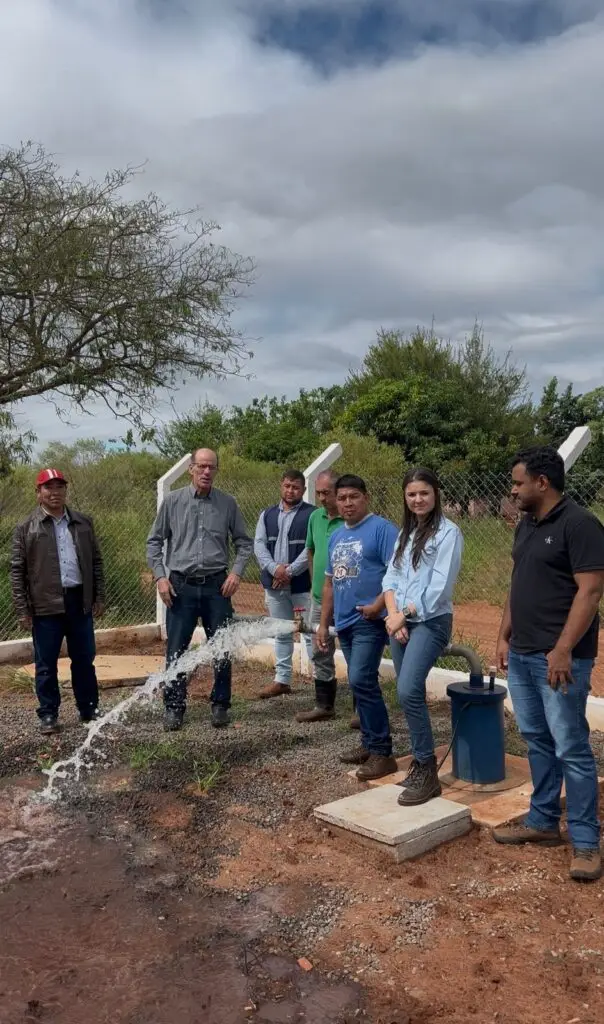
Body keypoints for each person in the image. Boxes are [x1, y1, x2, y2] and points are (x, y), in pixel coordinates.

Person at [494, 446, 604, 882]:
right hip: (522, 654)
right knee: (536, 739)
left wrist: (562, 649)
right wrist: (503, 636)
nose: (514, 490)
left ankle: (586, 842)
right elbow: (517, 584)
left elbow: (591, 592)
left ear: (543, 482)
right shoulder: (527, 524)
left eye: (519, 483)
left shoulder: (580, 525)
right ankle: (542, 822)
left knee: (571, 747)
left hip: (559, 659)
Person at [146, 448, 253, 731]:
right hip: (180, 587)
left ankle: (220, 704)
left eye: (212, 467)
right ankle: (174, 706)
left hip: (218, 588)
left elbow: (244, 543)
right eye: (202, 466)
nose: (207, 472)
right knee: (176, 650)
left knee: (222, 647)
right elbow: (154, 542)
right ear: (191, 469)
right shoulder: (172, 502)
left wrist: (236, 573)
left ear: (216, 471)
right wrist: (160, 577)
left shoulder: (227, 504)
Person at [383, 467, 464, 806]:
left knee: (408, 689)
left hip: (431, 622)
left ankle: (427, 770)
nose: (418, 499)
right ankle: (420, 763)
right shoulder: (406, 533)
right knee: (407, 694)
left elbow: (439, 588)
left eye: (424, 493)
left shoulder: (448, 533)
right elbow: (390, 578)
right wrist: (393, 616)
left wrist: (405, 614)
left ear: (436, 494)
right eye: (412, 494)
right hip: (400, 622)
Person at [10, 468, 105, 734]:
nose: (55, 492)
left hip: (79, 601)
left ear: (66, 490)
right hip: (45, 606)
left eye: (59, 487)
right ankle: (49, 714)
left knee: (84, 659)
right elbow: (17, 570)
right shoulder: (26, 528)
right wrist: (22, 609)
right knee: (46, 663)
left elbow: (96, 562)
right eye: (48, 487)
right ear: (38, 493)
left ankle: (88, 708)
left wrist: (99, 596)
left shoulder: (83, 523)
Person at [318, 474, 400, 780]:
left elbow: (398, 573)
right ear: (335, 502)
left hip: (370, 621)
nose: (348, 503)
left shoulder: (382, 529)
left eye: (353, 497)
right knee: (358, 683)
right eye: (342, 498)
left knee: (362, 679)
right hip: (345, 623)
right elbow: (329, 583)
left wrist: (378, 605)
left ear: (365, 497)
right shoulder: (337, 535)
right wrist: (324, 625)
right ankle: (368, 743)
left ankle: (382, 752)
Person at [295, 469, 350, 723]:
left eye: (326, 493)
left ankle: (362, 709)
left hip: (348, 600)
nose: (321, 498)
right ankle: (324, 705)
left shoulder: (350, 519)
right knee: (319, 648)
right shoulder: (315, 517)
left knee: (354, 651)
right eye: (318, 492)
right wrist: (314, 584)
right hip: (318, 598)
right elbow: (311, 552)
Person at [254, 469, 314, 698]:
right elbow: (259, 546)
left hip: (302, 585)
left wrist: (288, 571)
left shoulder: (312, 515)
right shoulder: (267, 515)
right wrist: (274, 570)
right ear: (281, 485)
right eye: (287, 486)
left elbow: (311, 548)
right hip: (275, 585)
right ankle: (282, 680)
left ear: (303, 490)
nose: (291, 490)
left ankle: (321, 682)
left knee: (310, 632)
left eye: (296, 487)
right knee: (281, 631)